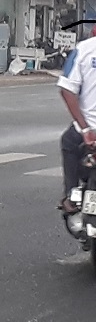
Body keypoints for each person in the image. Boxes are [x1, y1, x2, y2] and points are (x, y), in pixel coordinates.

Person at [58, 34, 96, 214]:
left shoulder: (84, 49)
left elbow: (66, 90)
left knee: (69, 142)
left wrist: (85, 129)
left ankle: (72, 194)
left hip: (87, 131)